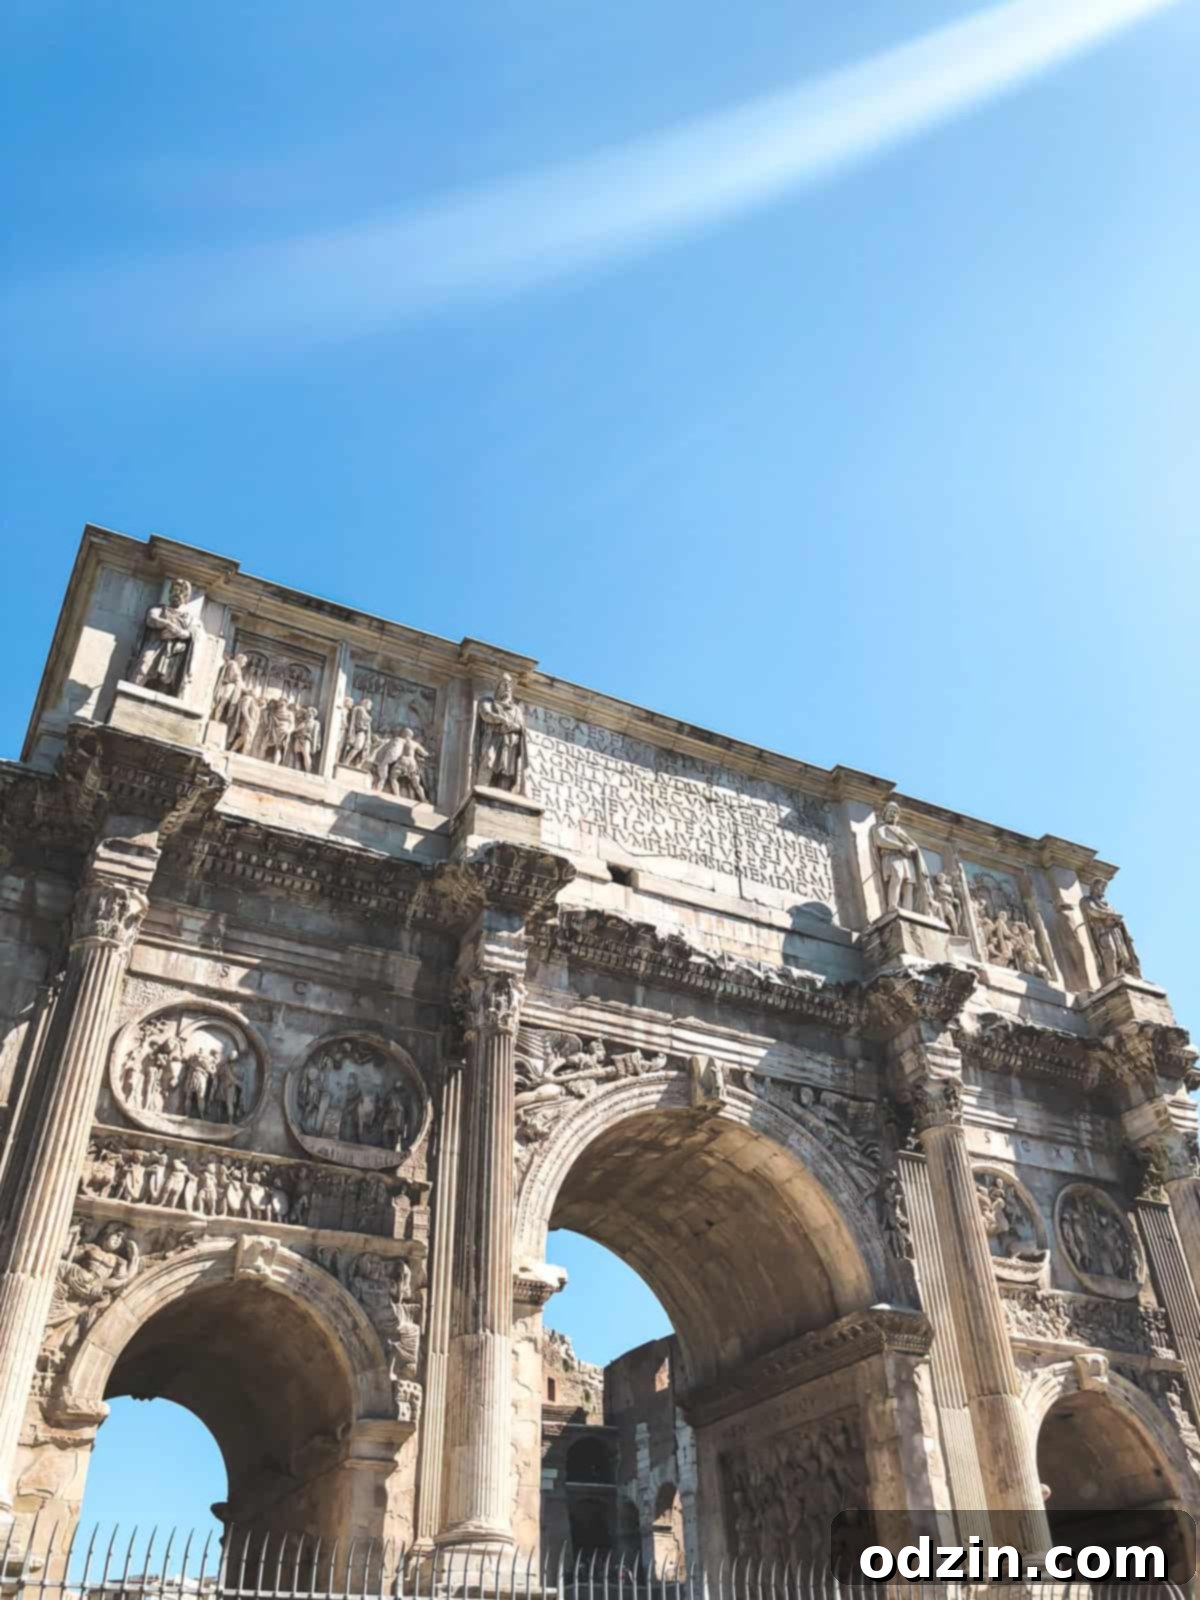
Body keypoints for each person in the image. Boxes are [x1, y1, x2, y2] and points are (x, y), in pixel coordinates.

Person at [129, 577, 197, 697]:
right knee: (144, 665)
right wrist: (168, 624)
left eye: (181, 592)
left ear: (186, 597)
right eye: (174, 590)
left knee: (167, 678)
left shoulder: (189, 618)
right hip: (155, 646)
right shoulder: (158, 609)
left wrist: (176, 631)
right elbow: (151, 619)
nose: (177, 594)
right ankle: (130, 693)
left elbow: (189, 634)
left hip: (174, 652)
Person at [870, 801, 929, 913]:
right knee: (897, 876)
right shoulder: (881, 827)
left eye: (895, 812)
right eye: (890, 811)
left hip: (906, 859)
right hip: (891, 856)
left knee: (909, 885)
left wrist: (912, 848)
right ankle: (892, 906)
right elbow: (880, 840)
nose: (893, 814)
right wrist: (901, 846)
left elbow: (913, 845)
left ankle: (908, 912)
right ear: (884, 814)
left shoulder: (901, 831)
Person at [475, 674, 526, 792]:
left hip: (510, 744)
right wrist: (502, 720)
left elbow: (521, 727)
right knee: (488, 762)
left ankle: (502, 796)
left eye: (509, 685)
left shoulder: (516, 710)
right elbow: (486, 714)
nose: (507, 687)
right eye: (504, 684)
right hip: (492, 739)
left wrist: (511, 726)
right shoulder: (488, 702)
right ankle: (481, 791)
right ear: (498, 687)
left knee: (507, 771)